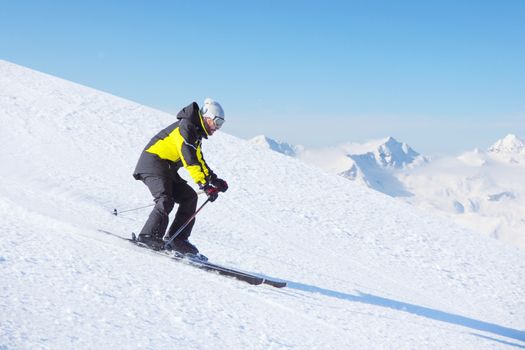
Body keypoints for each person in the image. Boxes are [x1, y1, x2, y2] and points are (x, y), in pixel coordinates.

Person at [133, 98, 228, 255]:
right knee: (165, 199)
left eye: (221, 124)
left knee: (189, 197)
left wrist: (213, 179)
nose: (218, 127)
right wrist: (204, 185)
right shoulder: (186, 128)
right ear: (207, 117)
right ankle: (148, 236)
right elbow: (190, 159)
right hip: (152, 162)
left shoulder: (194, 132)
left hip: (166, 167)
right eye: (217, 122)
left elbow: (198, 159)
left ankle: (178, 239)